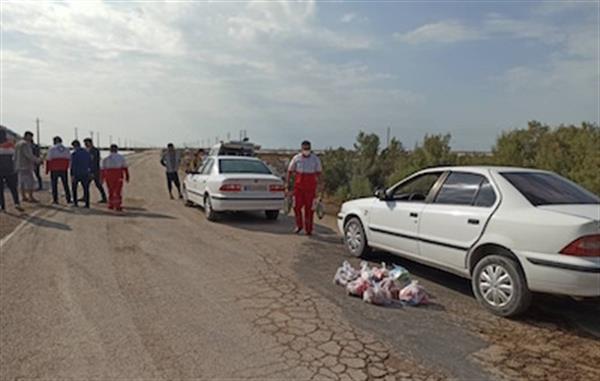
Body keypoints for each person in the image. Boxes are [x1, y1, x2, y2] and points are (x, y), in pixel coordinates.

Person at [286, 140, 322, 236]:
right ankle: (299, 226)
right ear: (301, 148)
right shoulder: (296, 158)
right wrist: (288, 185)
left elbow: (319, 174)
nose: (306, 150)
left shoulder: (315, 159)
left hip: (310, 189)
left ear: (310, 148)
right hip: (298, 189)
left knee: (309, 210)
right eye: (304, 148)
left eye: (308, 148)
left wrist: (320, 188)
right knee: (296, 207)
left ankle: (309, 229)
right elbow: (290, 171)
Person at [0, 129, 23, 212]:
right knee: (13, 188)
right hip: (11, 170)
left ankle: (2, 206)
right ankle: (16, 203)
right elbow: (15, 157)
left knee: (1, 190)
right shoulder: (11, 144)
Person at [101, 144, 129, 211]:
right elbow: (125, 167)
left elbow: (102, 169)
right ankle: (118, 205)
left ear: (110, 149)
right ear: (117, 149)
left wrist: (102, 178)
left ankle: (111, 204)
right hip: (118, 174)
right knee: (118, 191)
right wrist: (127, 176)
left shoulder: (105, 157)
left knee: (110, 190)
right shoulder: (121, 157)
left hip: (109, 175)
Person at [14, 131, 40, 203]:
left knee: (21, 182)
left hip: (19, 166)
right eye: (30, 136)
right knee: (30, 182)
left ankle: (23, 197)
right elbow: (29, 155)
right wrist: (37, 160)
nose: (31, 138)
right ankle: (30, 197)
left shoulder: (18, 143)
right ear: (27, 136)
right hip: (26, 166)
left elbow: (15, 156)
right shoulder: (25, 144)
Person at [46, 136, 72, 205]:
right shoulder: (66, 149)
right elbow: (69, 158)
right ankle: (68, 199)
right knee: (65, 184)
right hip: (63, 168)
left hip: (54, 168)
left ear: (55, 141)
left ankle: (55, 200)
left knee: (54, 184)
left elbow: (48, 158)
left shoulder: (52, 149)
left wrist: (47, 170)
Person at [83, 138, 107, 203]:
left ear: (90, 143)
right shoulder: (87, 150)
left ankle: (104, 198)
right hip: (89, 170)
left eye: (86, 143)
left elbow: (95, 161)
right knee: (87, 184)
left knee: (97, 184)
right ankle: (85, 197)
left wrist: (92, 171)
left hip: (94, 170)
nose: (85, 144)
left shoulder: (94, 150)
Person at [70, 140, 92, 208]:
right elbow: (90, 163)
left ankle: (75, 203)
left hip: (76, 173)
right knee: (86, 189)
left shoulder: (74, 154)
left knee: (74, 188)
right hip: (85, 172)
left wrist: (72, 174)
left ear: (74, 146)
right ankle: (87, 204)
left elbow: (72, 165)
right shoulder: (86, 153)